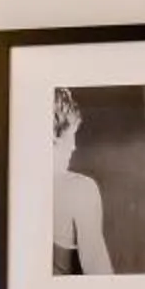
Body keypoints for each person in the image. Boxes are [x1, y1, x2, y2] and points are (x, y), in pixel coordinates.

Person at [49, 88, 113, 275]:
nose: (74, 146)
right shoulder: (80, 189)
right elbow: (101, 278)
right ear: (54, 137)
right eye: (71, 134)